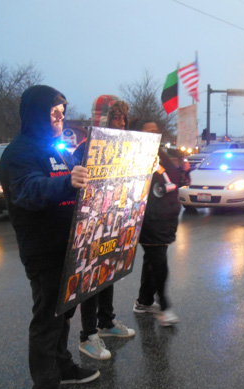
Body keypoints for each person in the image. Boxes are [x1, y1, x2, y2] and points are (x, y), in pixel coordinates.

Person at [0, 85, 99, 389]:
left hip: (67, 244)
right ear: (37, 114)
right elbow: (28, 190)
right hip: (42, 247)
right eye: (53, 113)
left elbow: (76, 179)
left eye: (62, 112)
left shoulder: (55, 149)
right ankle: (46, 388)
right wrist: (66, 181)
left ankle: (63, 366)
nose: (60, 118)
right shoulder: (19, 152)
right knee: (47, 317)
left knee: (65, 309)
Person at [75, 95, 135, 361]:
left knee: (108, 272)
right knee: (91, 280)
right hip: (91, 226)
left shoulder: (123, 146)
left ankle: (107, 322)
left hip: (114, 221)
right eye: (116, 117)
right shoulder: (85, 148)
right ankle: (88, 335)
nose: (122, 123)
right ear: (104, 119)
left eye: (123, 117)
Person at [131, 118, 189, 326]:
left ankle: (144, 301)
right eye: (148, 131)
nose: (153, 134)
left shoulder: (160, 155)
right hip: (149, 219)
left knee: (152, 260)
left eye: (156, 131)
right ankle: (164, 305)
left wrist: (183, 173)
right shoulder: (136, 156)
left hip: (165, 218)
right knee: (159, 262)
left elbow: (171, 182)